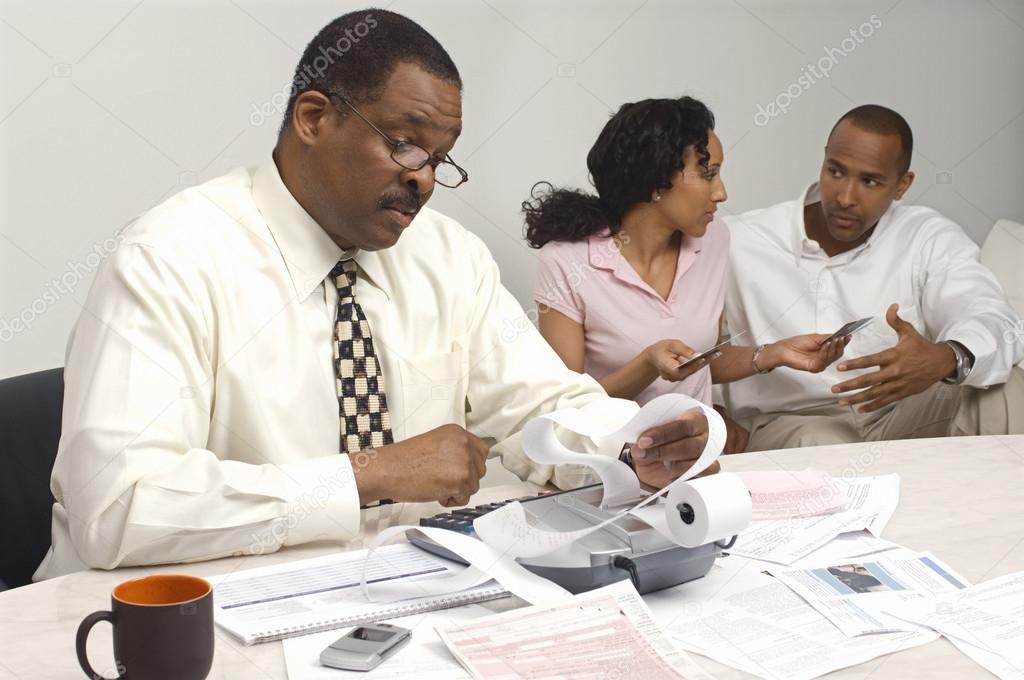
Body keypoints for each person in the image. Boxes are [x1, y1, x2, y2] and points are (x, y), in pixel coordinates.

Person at [36, 10, 719, 580]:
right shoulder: (168, 259)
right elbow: (121, 506)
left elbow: (539, 399)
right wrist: (363, 476)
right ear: (313, 118)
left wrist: (631, 446)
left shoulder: (450, 257)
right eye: (404, 144)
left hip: (400, 592)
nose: (423, 179)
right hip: (182, 614)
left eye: (440, 158)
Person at [525, 97, 848, 454]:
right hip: (612, 461)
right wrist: (648, 365)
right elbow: (568, 411)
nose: (722, 193)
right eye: (708, 175)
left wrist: (775, 353)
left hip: (698, 456)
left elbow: (701, 359)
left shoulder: (713, 241)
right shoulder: (567, 262)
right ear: (656, 183)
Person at [721, 105, 1024, 450]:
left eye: (869, 181)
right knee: (824, 444)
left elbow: (991, 315)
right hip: (793, 424)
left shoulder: (926, 236)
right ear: (824, 159)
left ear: (902, 185)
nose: (846, 198)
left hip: (898, 415)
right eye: (835, 171)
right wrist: (714, 417)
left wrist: (947, 357)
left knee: (1007, 388)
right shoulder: (741, 240)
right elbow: (689, 351)